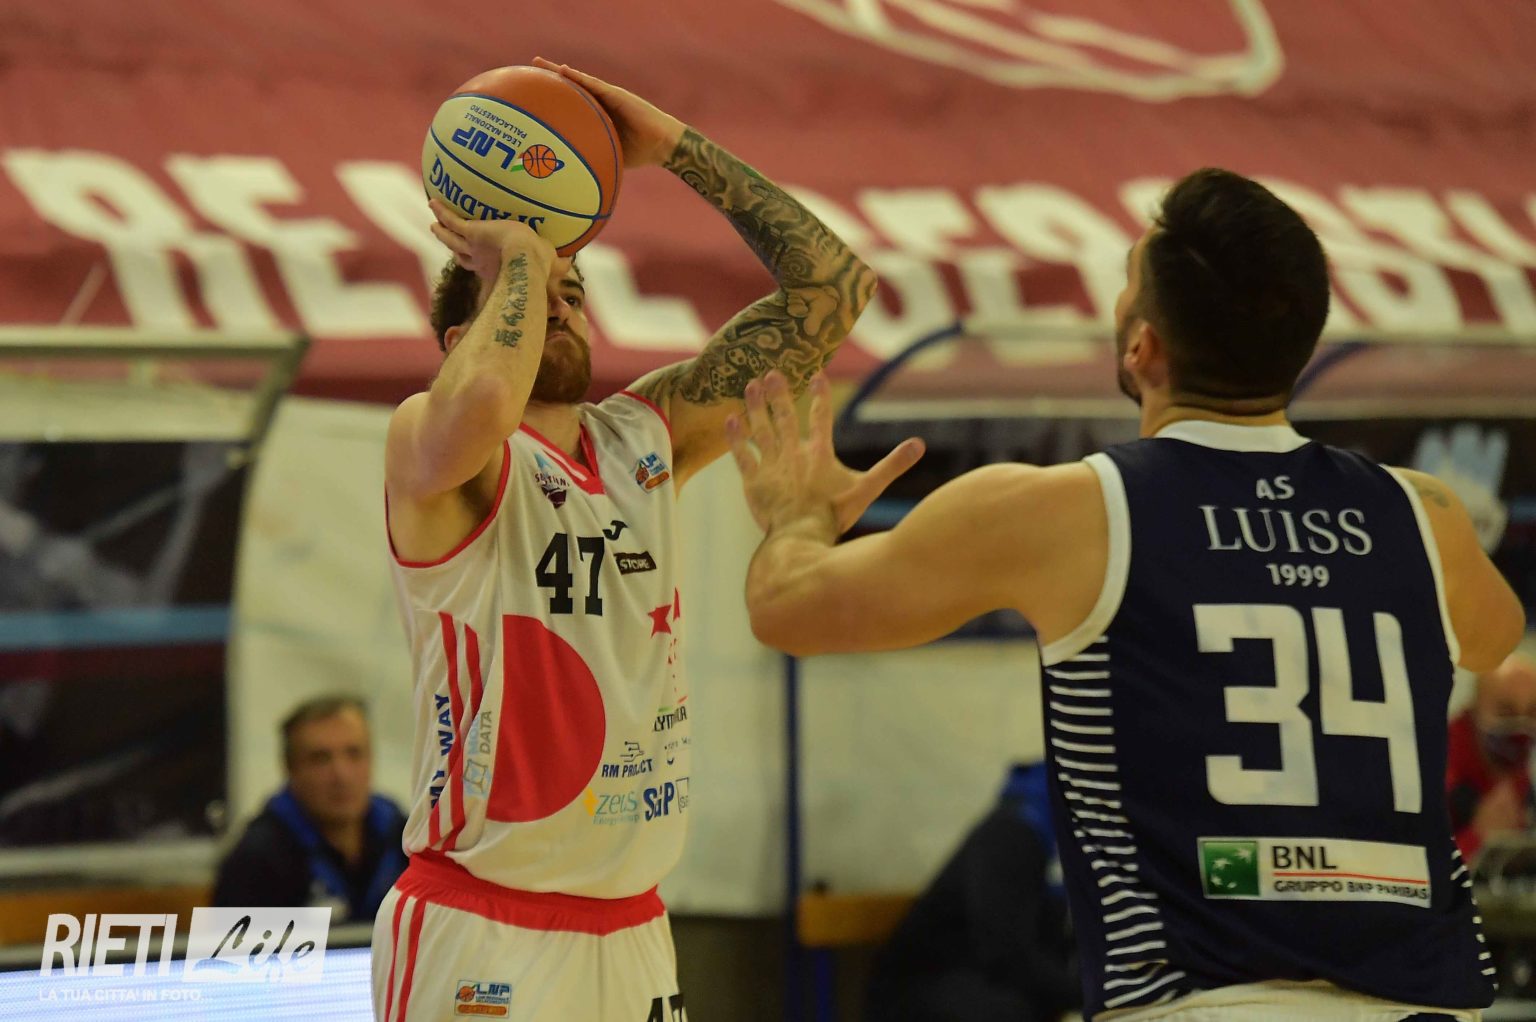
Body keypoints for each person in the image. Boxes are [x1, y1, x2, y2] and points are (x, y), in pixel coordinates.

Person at [728, 168, 1527, 1020]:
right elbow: (1494, 637)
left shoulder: (1069, 511)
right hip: (1426, 1003)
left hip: (1207, 1004)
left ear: (1142, 346)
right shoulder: (1422, 513)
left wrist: (797, 517)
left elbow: (788, 607)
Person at [373, 57, 909, 1022]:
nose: (561, 304)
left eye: (574, 291)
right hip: (484, 920)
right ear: (461, 340)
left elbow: (835, 285)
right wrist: (521, 252)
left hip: (632, 927)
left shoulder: (646, 435)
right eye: (534, 294)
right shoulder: (433, 441)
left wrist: (675, 148)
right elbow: (486, 398)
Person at [866, 762, 1079, 1022]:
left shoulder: (1059, 839)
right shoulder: (1012, 832)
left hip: (975, 986)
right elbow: (1006, 955)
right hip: (921, 992)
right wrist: (1085, 995)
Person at [213, 696, 406, 923]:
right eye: (320, 759)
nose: (341, 775)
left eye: (354, 753)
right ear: (290, 768)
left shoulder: (404, 836)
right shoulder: (254, 862)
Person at [1448, 653, 1536, 861]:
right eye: (1506, 712)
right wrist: (1478, 838)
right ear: (1474, 711)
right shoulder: (1435, 768)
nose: (1521, 726)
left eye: (1532, 713)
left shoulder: (1516, 773)